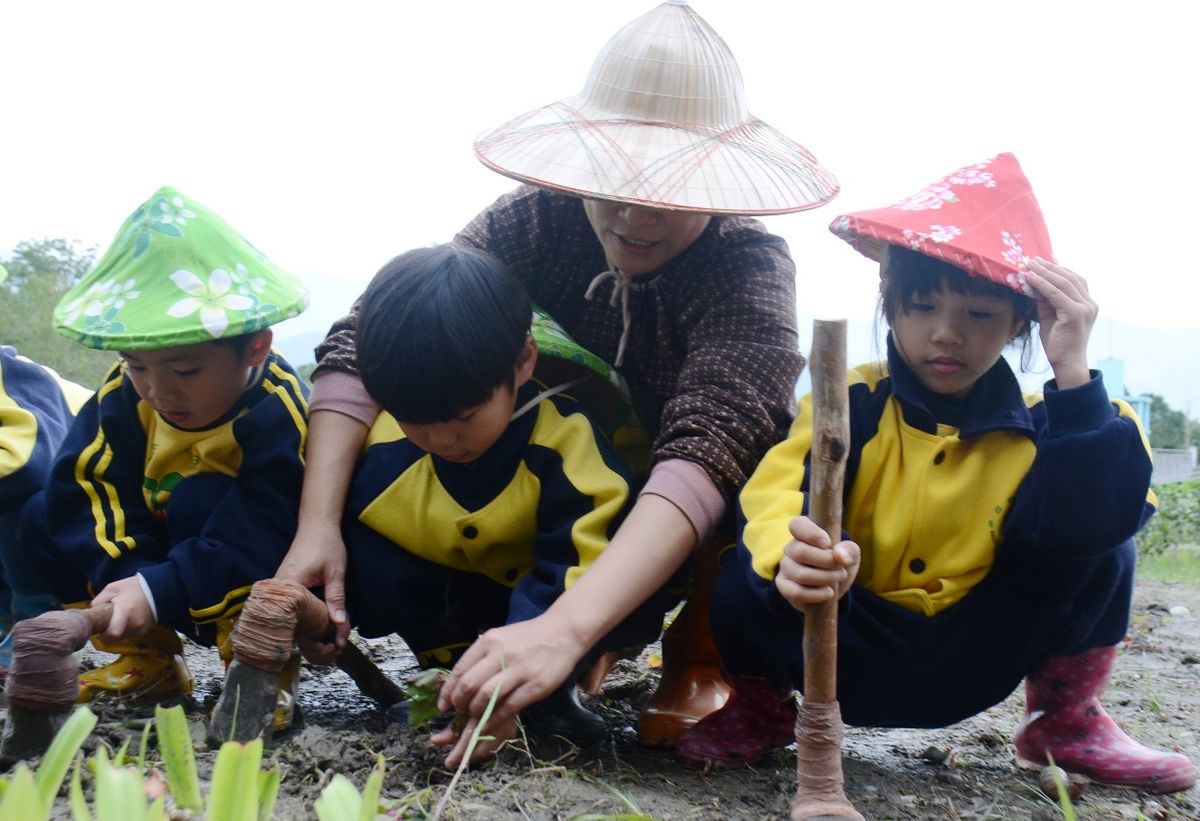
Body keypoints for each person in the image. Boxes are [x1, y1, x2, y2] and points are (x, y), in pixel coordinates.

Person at [277, 0, 838, 766]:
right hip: (591, 460)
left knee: (748, 482)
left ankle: (698, 654)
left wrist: (563, 628)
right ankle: (552, 637)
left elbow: (711, 446)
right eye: (613, 182)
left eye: (665, 190)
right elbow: (378, 332)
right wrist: (317, 528)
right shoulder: (538, 220)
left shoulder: (748, 273)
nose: (633, 216)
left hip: (685, 491)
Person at [677, 153, 1197, 794]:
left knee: (1104, 531)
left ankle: (1065, 721)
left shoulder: (1060, 424)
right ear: (890, 308)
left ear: (1019, 323)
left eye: (979, 315)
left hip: (976, 654)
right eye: (922, 307)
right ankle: (760, 710)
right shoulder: (848, 403)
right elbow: (772, 490)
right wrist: (790, 557)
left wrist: (1073, 372)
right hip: (838, 649)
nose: (946, 334)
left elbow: (1100, 516)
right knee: (742, 563)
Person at [343, 244, 678, 752]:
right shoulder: (381, 449)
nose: (440, 441)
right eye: (415, 423)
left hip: (548, 599)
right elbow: (363, 543)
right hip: (452, 594)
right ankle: (451, 674)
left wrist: (523, 659)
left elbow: (583, 562)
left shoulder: (567, 443)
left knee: (622, 592)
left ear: (523, 363)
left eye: (462, 419)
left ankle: (547, 692)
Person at [18, 187, 312, 732]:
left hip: (242, 564)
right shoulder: (122, 397)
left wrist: (159, 588)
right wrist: (128, 583)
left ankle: (258, 666)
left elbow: (265, 524)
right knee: (43, 514)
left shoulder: (277, 408)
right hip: (155, 552)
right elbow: (88, 488)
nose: (158, 391)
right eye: (138, 367)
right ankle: (148, 659)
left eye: (185, 371)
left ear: (255, 348)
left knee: (200, 497)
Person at [0, 263, 93, 671]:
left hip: (98, 509)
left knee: (17, 501)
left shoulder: (15, 380)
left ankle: (33, 611)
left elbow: (27, 469)